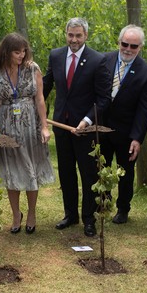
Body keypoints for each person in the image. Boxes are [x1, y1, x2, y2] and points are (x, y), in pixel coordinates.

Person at [42, 17, 110, 237]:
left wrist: (88, 120)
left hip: (85, 128)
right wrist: (33, 106)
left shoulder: (98, 60)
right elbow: (45, 86)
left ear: (86, 36)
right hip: (61, 125)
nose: (74, 39)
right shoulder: (56, 55)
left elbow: (104, 99)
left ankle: (88, 218)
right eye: (70, 35)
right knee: (66, 172)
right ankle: (70, 215)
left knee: (88, 173)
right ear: (66, 34)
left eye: (78, 35)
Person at [0, 33, 54, 235]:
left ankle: (32, 213)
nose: (22, 55)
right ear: (6, 52)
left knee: (31, 168)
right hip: (7, 124)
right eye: (17, 52)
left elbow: (40, 99)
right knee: (11, 170)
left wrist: (44, 126)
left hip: (30, 124)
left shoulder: (33, 69)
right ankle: (16, 214)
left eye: (24, 51)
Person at [101, 24, 147, 224]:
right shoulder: (103, 60)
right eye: (125, 44)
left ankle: (123, 209)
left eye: (133, 46)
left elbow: (144, 109)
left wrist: (137, 137)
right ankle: (103, 202)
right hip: (102, 127)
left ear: (140, 48)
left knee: (125, 172)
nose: (128, 49)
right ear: (119, 42)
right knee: (101, 167)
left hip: (126, 132)